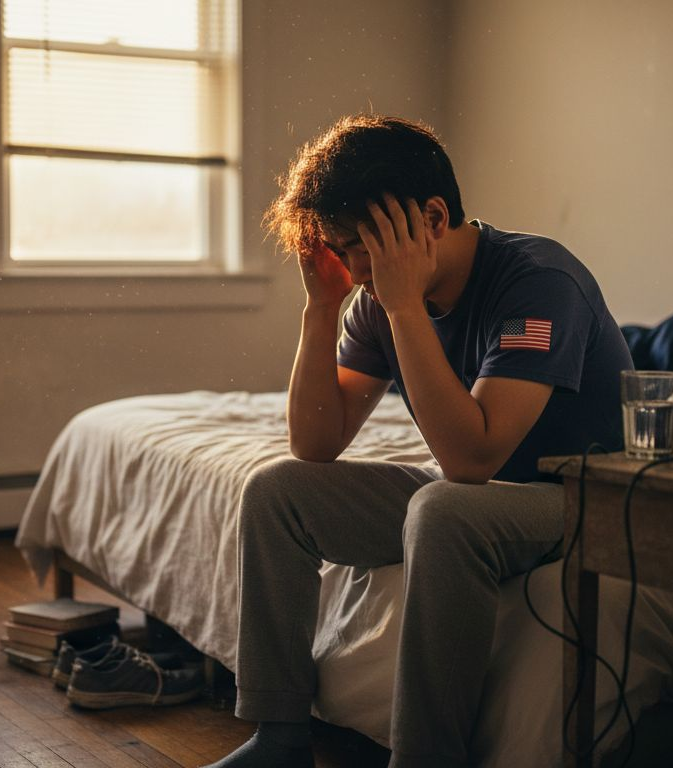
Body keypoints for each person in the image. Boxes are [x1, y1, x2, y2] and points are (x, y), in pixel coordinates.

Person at [202, 115, 633, 768]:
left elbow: (472, 459)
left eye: (361, 246)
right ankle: (279, 737)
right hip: (477, 495)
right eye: (337, 247)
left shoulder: (541, 283)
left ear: (431, 220)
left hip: (574, 492)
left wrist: (403, 308)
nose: (351, 268)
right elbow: (315, 443)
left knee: (443, 507)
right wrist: (321, 309)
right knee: (278, 489)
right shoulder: (377, 298)